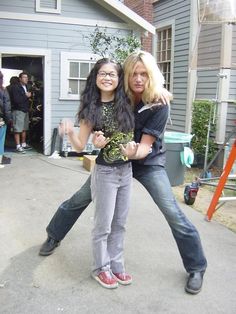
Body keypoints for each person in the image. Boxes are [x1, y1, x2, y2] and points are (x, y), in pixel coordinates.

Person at [39, 51, 207, 295]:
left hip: (146, 161)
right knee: (80, 199)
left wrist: (133, 152)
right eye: (134, 74)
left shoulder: (159, 102)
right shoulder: (122, 95)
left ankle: (196, 266)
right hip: (114, 163)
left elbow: (146, 147)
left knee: (171, 210)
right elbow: (96, 103)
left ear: (152, 76)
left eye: (144, 74)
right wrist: (89, 137)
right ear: (125, 76)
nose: (139, 79)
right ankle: (53, 234)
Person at [59, 58, 135, 289]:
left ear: (119, 78)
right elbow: (81, 145)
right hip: (105, 173)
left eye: (112, 74)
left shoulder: (128, 102)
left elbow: (150, 90)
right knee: (104, 225)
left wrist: (162, 91)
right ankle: (100, 268)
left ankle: (116, 265)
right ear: (96, 77)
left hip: (126, 171)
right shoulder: (92, 109)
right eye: (103, 73)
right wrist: (71, 133)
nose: (107, 77)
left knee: (120, 223)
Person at [11, 72, 32, 153]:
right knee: (17, 129)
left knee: (24, 128)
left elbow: (26, 98)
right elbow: (16, 100)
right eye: (24, 77)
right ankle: (18, 146)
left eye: (27, 77)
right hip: (18, 110)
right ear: (20, 79)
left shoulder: (26, 86)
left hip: (25, 110)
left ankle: (23, 144)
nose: (26, 79)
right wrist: (26, 96)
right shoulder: (15, 87)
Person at [0, 71, 12, 167]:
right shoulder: (3, 90)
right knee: (0, 139)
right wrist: (8, 120)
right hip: (1, 120)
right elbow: (6, 107)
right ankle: (0, 160)